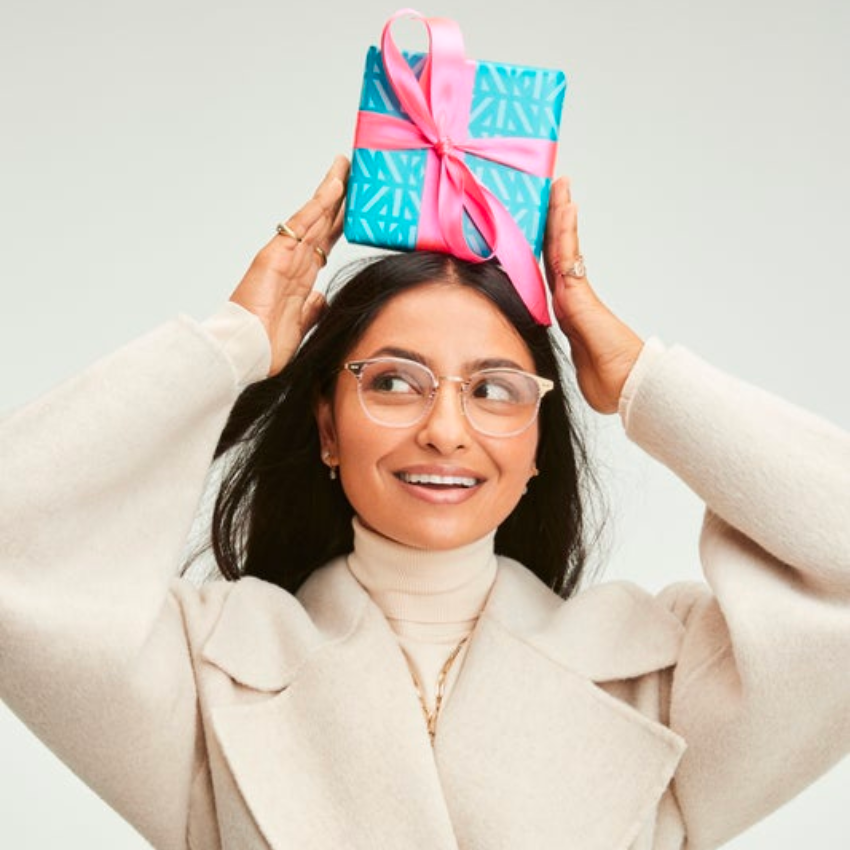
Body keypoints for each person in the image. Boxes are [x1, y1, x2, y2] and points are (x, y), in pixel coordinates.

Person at [0, 155, 848, 850]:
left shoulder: (653, 676)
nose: (446, 430)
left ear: (535, 448)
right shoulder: (208, 669)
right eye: (396, 382)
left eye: (495, 390)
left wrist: (639, 381)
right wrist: (233, 343)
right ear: (327, 429)